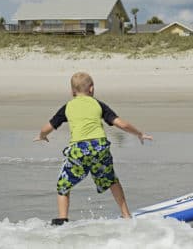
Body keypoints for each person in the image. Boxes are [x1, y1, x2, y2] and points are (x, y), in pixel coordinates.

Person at [34, 72, 153, 225]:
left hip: (78, 150)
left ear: (72, 91)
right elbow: (121, 124)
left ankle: (62, 219)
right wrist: (139, 134)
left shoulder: (67, 107)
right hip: (99, 147)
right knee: (112, 180)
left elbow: (47, 127)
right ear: (91, 89)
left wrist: (42, 135)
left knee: (63, 184)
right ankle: (126, 215)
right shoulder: (98, 104)